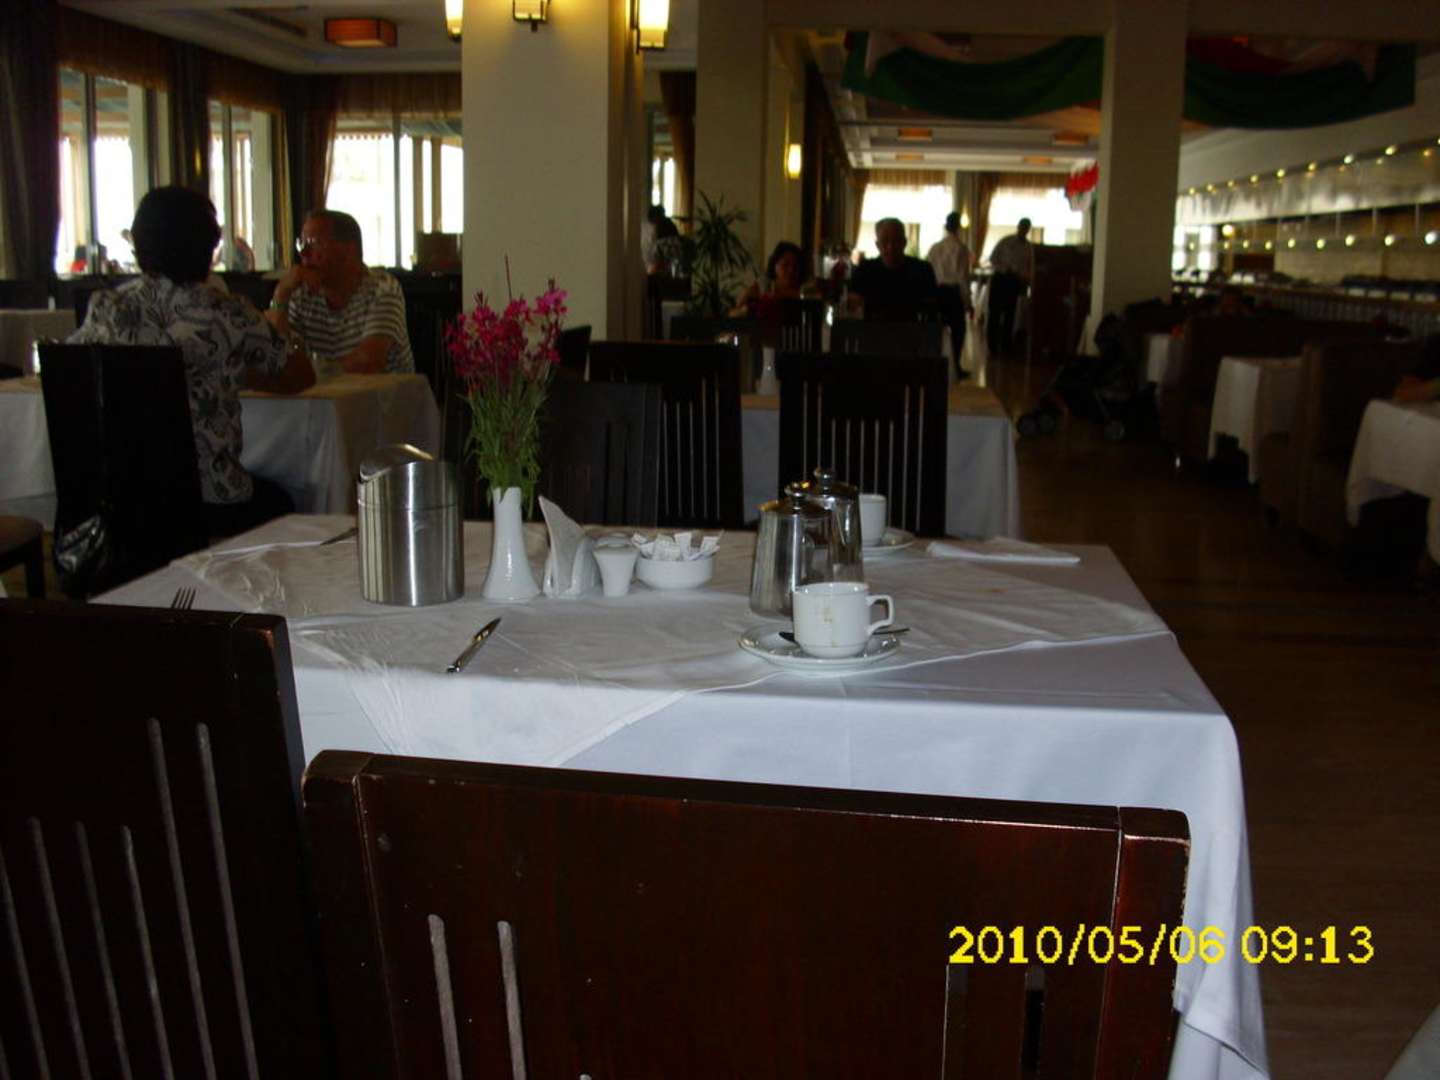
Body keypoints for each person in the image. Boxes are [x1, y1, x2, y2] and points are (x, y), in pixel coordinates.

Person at [69, 185, 314, 538]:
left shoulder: (106, 307)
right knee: (286, 501)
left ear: (139, 246)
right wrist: (235, 372)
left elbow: (76, 369)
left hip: (121, 497)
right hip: (208, 498)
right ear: (209, 248)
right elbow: (301, 375)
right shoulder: (228, 313)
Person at [266, 209, 414, 375]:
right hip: (322, 391)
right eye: (302, 243)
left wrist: (310, 372)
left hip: (381, 392)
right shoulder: (301, 294)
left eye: (314, 243)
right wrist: (280, 295)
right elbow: (276, 359)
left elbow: (368, 363)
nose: (304, 253)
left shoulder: (382, 289)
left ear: (349, 251)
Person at [847, 217, 938, 321]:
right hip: (873, 329)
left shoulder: (922, 270)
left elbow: (932, 310)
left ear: (904, 242)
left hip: (912, 329)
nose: (890, 247)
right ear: (877, 245)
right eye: (885, 241)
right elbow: (852, 306)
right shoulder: (865, 270)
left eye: (896, 241)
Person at [926, 211, 974, 378]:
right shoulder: (961, 249)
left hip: (937, 293)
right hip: (953, 294)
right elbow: (962, 278)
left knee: (936, 331)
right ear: (958, 227)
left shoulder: (935, 248)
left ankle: (934, 364)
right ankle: (955, 367)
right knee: (958, 332)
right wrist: (968, 302)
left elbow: (929, 273)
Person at [987, 217, 1034, 355]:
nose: (1023, 230)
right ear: (1018, 226)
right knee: (994, 313)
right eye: (1022, 226)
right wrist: (1005, 268)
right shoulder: (1006, 241)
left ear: (1028, 229)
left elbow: (1029, 267)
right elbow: (993, 258)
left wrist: (1024, 278)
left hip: (1015, 282)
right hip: (1000, 278)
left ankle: (1006, 345)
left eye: (1026, 228)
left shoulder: (1029, 248)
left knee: (1010, 315)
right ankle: (992, 345)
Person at [731, 240, 806, 318]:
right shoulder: (763, 286)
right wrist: (749, 310)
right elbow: (733, 314)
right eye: (785, 265)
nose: (791, 270)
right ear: (775, 265)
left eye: (796, 266)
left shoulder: (806, 291)